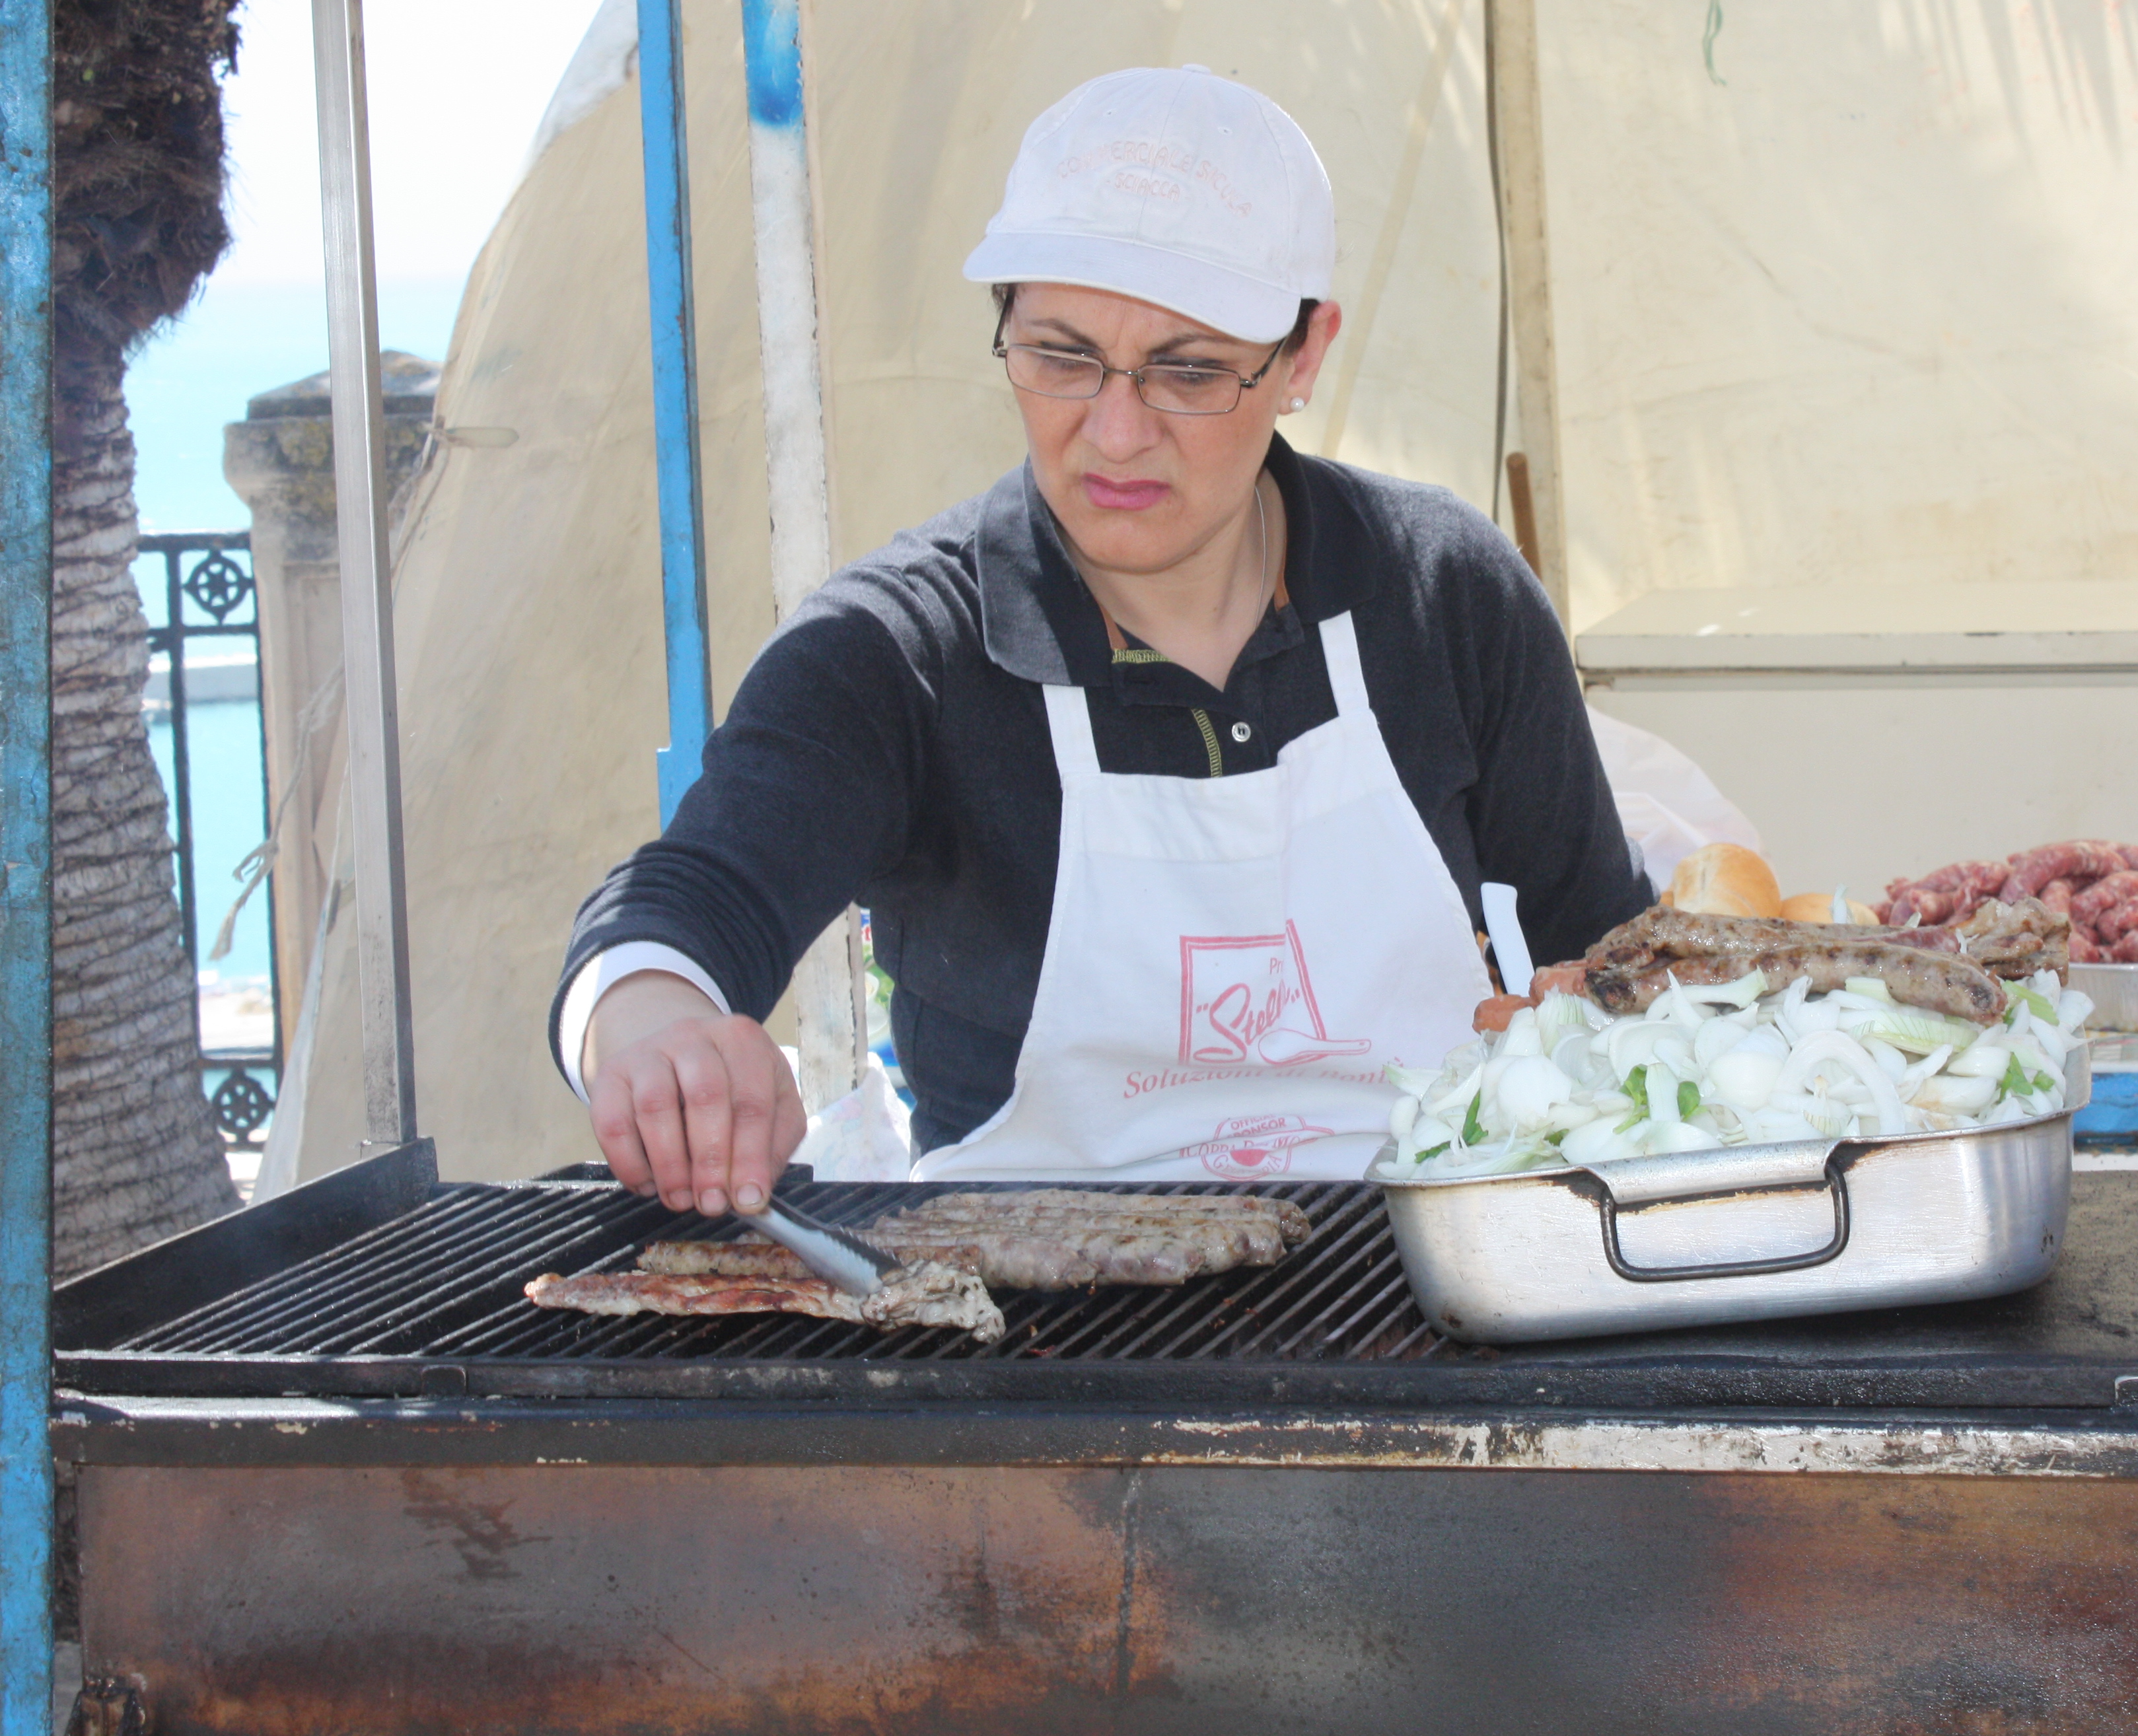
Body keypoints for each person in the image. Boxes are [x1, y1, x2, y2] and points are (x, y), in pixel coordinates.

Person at [555, 64, 1649, 1214]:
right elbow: (683, 904)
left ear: (1305, 356)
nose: (1116, 435)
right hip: (1025, 1345)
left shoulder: (1443, 595)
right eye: (1062, 357)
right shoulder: (900, 656)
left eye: (1189, 371)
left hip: (1430, 1297)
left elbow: (1622, 967)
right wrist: (654, 1025)